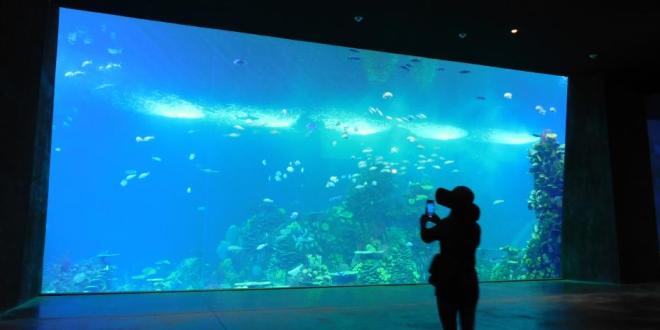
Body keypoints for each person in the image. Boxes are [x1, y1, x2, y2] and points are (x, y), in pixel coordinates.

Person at [420, 186, 481, 330]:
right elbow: (456, 231)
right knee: (468, 324)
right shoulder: (475, 227)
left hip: (448, 282)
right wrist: (440, 222)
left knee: (448, 325)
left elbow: (426, 237)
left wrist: (423, 222)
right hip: (469, 281)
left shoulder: (446, 225)